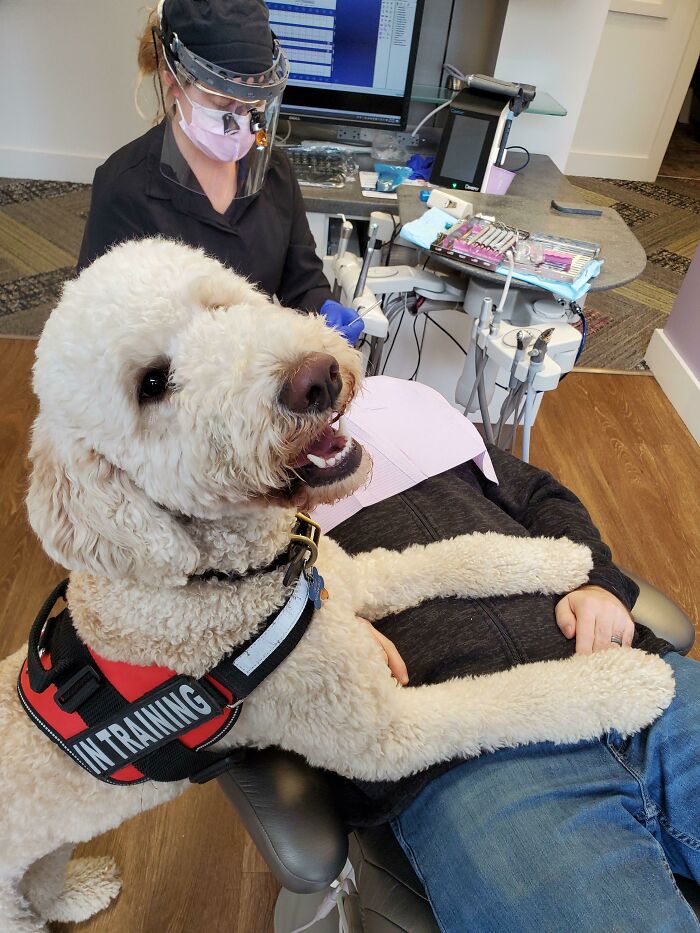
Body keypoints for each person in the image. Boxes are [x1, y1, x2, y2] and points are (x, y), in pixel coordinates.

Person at [78, 3, 700, 930]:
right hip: (468, 752)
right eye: (228, 112)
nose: (248, 135)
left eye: (262, 115)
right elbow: (195, 605)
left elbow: (538, 492)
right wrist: (314, 640)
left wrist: (603, 580)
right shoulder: (233, 508)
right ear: (175, 83)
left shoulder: (412, 403)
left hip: (631, 679)